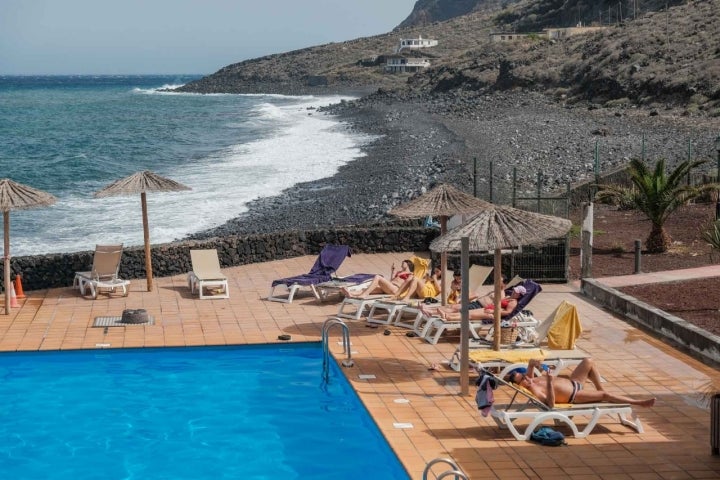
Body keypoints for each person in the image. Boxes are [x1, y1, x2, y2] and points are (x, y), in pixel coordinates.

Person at [505, 358, 656, 408]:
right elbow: (550, 404)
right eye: (523, 379)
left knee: (588, 361)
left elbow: (530, 370)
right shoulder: (535, 391)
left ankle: (600, 391)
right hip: (576, 395)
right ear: (521, 386)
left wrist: (532, 364)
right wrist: (550, 382)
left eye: (524, 376)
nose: (526, 378)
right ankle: (639, 403)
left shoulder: (530, 379)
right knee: (605, 394)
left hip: (574, 382)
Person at [435, 284, 526, 322]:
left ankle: (449, 317)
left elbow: (508, 312)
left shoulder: (513, 302)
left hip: (492, 314)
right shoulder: (508, 297)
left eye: (516, 292)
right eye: (514, 290)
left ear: (519, 295)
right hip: (488, 309)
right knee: (467, 313)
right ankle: (447, 315)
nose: (514, 292)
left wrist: (493, 312)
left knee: (469, 316)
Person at [342, 259, 414, 299]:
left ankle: (364, 295)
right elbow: (391, 280)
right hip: (389, 287)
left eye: (404, 263)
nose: (402, 263)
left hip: (396, 289)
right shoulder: (399, 272)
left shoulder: (410, 274)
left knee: (378, 277)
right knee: (367, 289)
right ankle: (351, 294)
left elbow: (408, 283)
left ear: (408, 265)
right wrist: (393, 272)